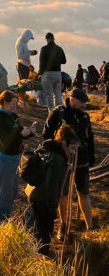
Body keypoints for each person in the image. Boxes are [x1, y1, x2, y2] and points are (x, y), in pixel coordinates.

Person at [42, 88, 95, 234]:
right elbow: (46, 134)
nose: (85, 105)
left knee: (84, 193)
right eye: (82, 102)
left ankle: (90, 227)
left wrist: (92, 156)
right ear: (72, 100)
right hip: (63, 160)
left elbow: (90, 137)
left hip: (82, 159)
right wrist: (59, 148)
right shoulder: (57, 113)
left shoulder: (85, 116)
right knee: (64, 193)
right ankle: (64, 225)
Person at [25, 124, 79, 255]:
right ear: (64, 143)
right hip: (43, 200)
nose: (73, 152)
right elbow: (52, 187)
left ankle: (34, 253)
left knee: (35, 229)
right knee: (44, 234)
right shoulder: (57, 160)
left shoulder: (47, 149)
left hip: (33, 194)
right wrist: (52, 209)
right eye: (72, 148)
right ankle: (41, 258)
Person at [0, 90, 36, 222]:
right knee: (5, 194)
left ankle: (6, 217)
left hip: (16, 157)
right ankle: (1, 222)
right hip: (5, 159)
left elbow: (19, 133)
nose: (15, 107)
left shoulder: (13, 116)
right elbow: (6, 140)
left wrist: (29, 132)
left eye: (16, 104)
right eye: (13, 104)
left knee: (13, 192)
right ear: (4, 103)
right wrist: (21, 135)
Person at [39, 32, 66, 109]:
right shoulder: (60, 49)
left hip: (47, 74)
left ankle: (51, 112)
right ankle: (60, 111)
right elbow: (64, 61)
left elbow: (42, 62)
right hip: (58, 74)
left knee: (49, 94)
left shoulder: (44, 49)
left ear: (47, 39)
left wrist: (40, 73)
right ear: (54, 39)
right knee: (58, 93)